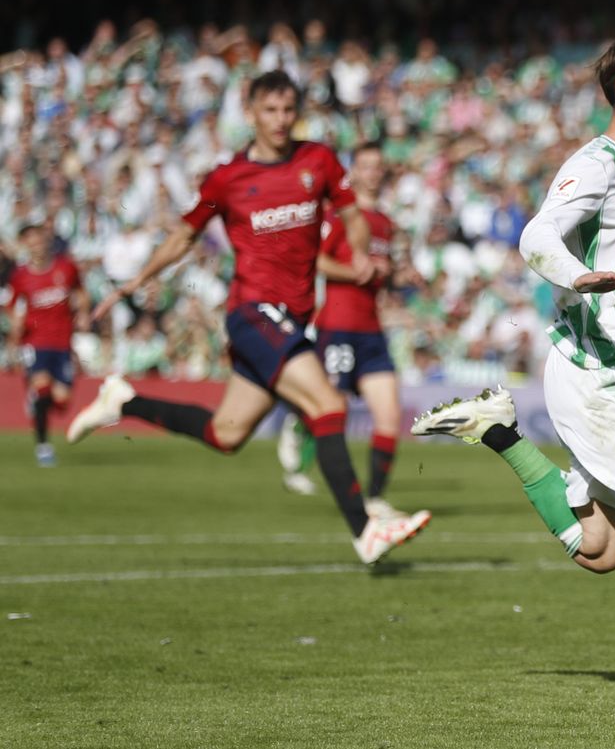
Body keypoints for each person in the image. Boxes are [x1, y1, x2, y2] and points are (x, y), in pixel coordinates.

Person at [411, 18, 615, 704]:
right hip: (597, 367)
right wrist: (574, 276)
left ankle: (500, 433)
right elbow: (537, 236)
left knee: (600, 551)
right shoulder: (598, 164)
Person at [66, 71, 431, 565]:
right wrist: (135, 281)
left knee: (227, 434)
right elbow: (185, 234)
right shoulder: (227, 179)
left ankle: (125, 401)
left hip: (291, 319)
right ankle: (365, 531)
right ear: (251, 112)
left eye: (288, 110)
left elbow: (352, 216)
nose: (280, 120)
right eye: (270, 110)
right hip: (253, 312)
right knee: (328, 404)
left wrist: (362, 253)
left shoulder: (318, 160)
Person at [277, 143, 416, 521]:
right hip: (338, 327)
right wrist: (357, 271)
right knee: (331, 408)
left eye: (378, 166)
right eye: (366, 166)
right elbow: (315, 260)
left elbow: (379, 274)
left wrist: (398, 276)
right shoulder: (341, 215)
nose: (373, 172)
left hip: (372, 331)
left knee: (389, 414)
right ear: (353, 172)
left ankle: (375, 499)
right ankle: (300, 422)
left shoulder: (385, 222)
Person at [6, 224, 87, 467]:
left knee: (61, 402)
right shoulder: (20, 276)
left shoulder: (66, 267)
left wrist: (83, 312)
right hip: (35, 342)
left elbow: (80, 291)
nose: (37, 247)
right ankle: (43, 447)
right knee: (41, 388)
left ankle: (37, 402)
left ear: (47, 242)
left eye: (40, 241)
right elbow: (12, 305)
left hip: (62, 342)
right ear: (26, 246)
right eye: (32, 243)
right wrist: (16, 327)